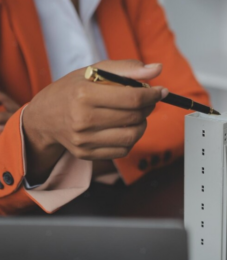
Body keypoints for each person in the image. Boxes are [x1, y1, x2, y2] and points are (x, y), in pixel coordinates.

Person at [0, 0, 209, 215]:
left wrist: (37, 140)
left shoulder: (133, 4)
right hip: (31, 223)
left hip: (137, 198)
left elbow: (193, 113)